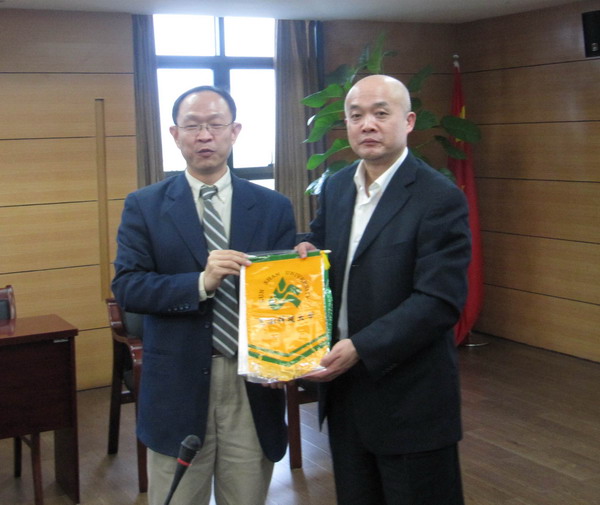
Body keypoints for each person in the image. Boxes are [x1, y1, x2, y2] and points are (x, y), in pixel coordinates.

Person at [112, 85, 296, 505]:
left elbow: (283, 298)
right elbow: (128, 287)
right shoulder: (144, 206)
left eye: (215, 124)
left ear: (235, 131)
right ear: (175, 135)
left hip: (252, 382)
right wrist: (200, 283)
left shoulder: (273, 207)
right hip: (176, 384)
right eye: (192, 126)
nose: (205, 135)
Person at [296, 74, 471, 505]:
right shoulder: (337, 186)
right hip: (345, 393)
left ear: (408, 122)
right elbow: (325, 250)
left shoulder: (438, 197)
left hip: (410, 400)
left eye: (380, 113)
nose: (367, 125)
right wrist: (307, 254)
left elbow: (438, 302)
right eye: (356, 116)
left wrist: (361, 346)